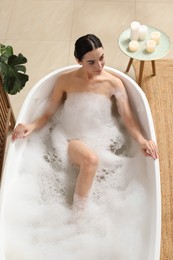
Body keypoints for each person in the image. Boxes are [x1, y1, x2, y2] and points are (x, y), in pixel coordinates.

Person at [12, 34, 158, 212]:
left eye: (102, 58)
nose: (99, 66)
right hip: (70, 140)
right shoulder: (65, 81)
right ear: (78, 61)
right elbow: (48, 112)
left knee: (99, 169)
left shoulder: (113, 83)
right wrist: (31, 125)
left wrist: (142, 140)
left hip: (103, 140)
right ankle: (78, 219)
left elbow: (128, 117)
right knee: (90, 159)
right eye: (91, 62)